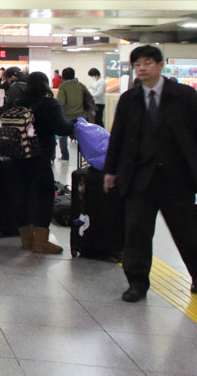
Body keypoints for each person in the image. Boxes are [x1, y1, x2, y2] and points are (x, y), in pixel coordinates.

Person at [104, 45, 197, 303]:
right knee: (136, 233)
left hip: (178, 179)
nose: (142, 68)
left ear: (160, 65)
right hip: (138, 179)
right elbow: (118, 138)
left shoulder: (184, 96)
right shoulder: (129, 100)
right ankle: (137, 283)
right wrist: (111, 171)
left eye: (147, 63)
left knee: (188, 231)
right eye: (137, 65)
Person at [9, 72, 73, 254]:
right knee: (45, 196)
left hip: (18, 156)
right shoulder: (50, 104)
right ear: (45, 85)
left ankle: (26, 239)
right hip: (40, 156)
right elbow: (61, 127)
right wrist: (75, 124)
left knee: (22, 196)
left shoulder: (18, 103)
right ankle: (40, 241)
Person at [56, 67, 87, 161]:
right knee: (82, 137)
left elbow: (61, 102)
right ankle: (85, 157)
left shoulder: (63, 87)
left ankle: (65, 156)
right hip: (80, 115)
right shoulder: (80, 85)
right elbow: (88, 98)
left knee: (63, 136)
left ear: (63, 76)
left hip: (67, 115)